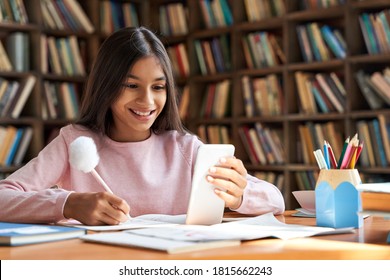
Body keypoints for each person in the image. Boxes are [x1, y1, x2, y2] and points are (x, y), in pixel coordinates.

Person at [0, 27, 284, 225]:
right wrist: (68, 203)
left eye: (158, 87)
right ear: (107, 86)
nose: (147, 101)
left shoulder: (184, 148)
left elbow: (275, 200)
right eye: (131, 85)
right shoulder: (74, 141)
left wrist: (239, 195)